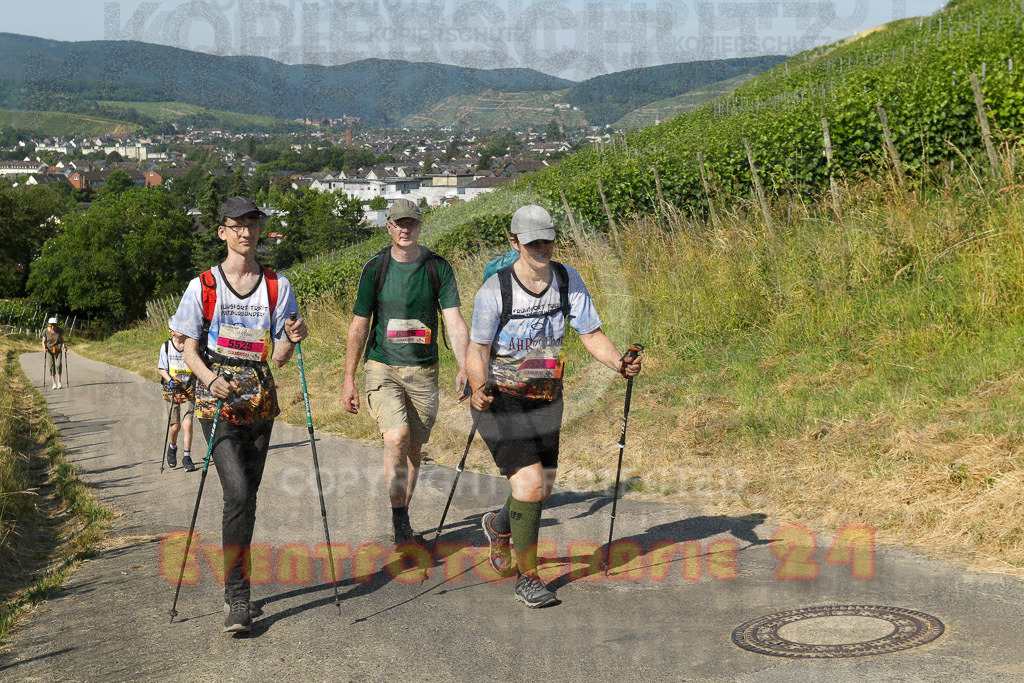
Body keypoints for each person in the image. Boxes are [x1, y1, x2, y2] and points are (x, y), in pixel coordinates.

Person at [466, 204, 642, 608]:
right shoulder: (495, 290)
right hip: (500, 397)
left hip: (546, 395)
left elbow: (591, 333)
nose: (542, 248)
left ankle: (499, 525)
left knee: (540, 489)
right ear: (515, 243)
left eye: (547, 240)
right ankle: (528, 576)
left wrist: (619, 362)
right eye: (533, 242)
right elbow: (477, 349)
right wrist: (477, 386)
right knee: (528, 483)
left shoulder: (567, 279)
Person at [169, 196, 306, 634]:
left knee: (247, 497)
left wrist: (292, 337)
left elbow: (281, 356)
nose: (246, 232)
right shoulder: (202, 286)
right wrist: (209, 379)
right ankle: (237, 596)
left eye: (253, 224)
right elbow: (187, 348)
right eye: (237, 225)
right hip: (216, 400)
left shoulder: (277, 286)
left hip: (260, 398)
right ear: (222, 232)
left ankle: (239, 584)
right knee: (237, 491)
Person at [341, 198, 470, 544]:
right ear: (388, 226)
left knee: (414, 449)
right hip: (383, 366)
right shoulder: (375, 269)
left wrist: (465, 366)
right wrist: (349, 378)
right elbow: (359, 325)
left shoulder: (437, 268)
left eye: (411, 222)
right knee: (396, 437)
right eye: (399, 223)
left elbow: (454, 321)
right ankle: (400, 526)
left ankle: (403, 520)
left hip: (424, 372)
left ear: (419, 225)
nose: (405, 229)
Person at [157, 329, 197, 472]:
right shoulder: (166, 346)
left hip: (188, 389)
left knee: (188, 423)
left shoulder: (191, 345)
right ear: (171, 331)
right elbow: (162, 368)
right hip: (172, 390)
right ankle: (172, 446)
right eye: (177, 328)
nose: (181, 330)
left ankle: (187, 457)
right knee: (175, 427)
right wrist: (169, 380)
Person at [41, 317, 66, 390]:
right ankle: (54, 383)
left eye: (54, 325)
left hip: (57, 349)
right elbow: (43, 341)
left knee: (58, 365)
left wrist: (64, 346)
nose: (53, 326)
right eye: (51, 325)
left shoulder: (59, 330)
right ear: (49, 324)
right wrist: (44, 348)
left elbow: (62, 340)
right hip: (49, 350)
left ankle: (59, 382)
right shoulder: (45, 331)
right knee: (51, 366)